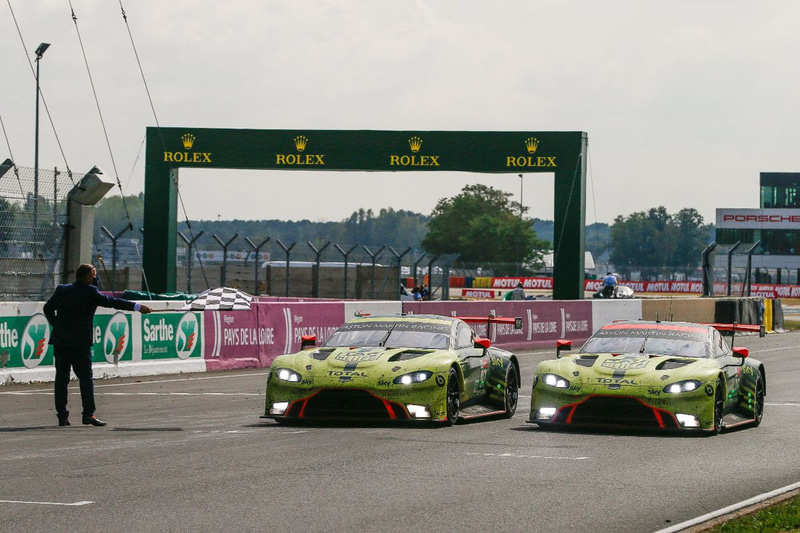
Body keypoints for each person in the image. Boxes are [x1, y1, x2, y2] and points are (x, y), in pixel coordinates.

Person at [43, 263, 152, 427]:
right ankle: (88, 414)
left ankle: (62, 416)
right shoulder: (90, 292)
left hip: (61, 341)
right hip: (80, 343)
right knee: (85, 377)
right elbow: (113, 302)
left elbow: (47, 309)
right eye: (94, 276)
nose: (95, 279)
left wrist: (57, 325)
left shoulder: (62, 290)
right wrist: (138, 307)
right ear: (88, 277)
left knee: (61, 378)